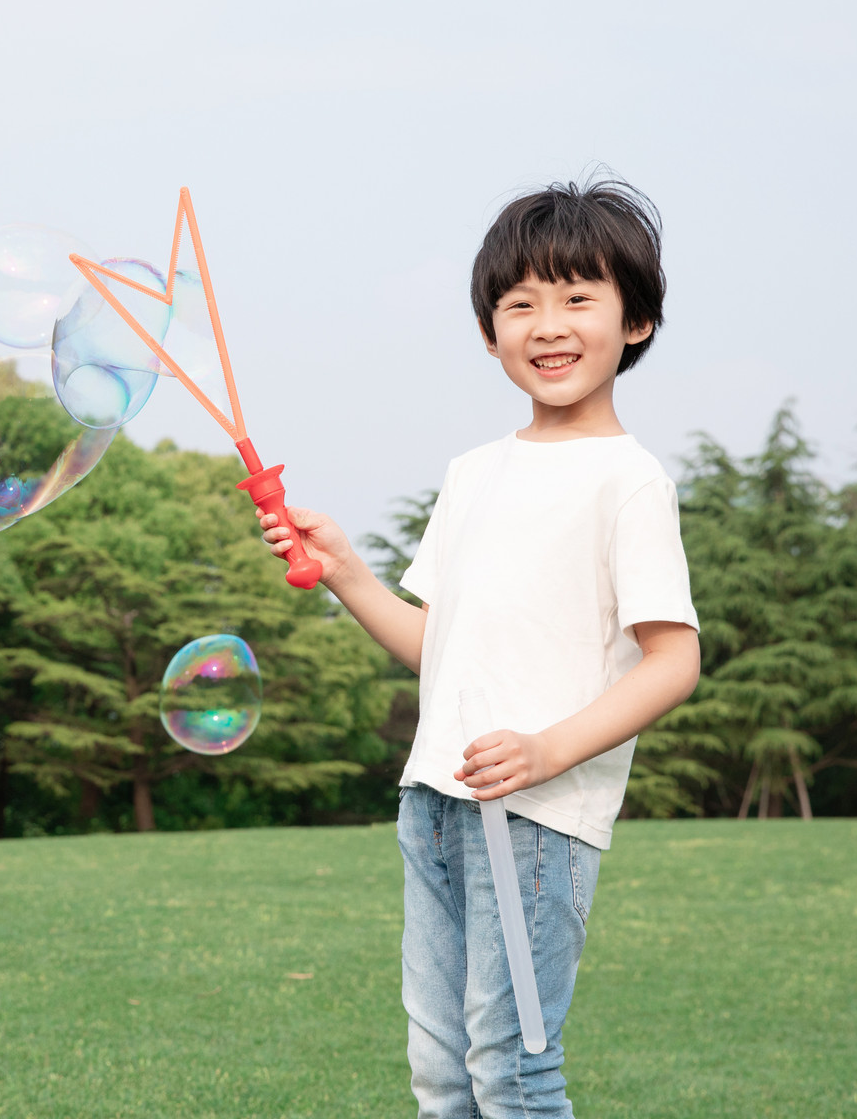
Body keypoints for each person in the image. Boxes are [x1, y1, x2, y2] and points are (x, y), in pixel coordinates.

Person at [260, 179, 700, 1118]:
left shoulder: (629, 481)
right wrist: (348, 574)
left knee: (511, 1067)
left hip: (534, 818)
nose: (549, 323)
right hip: (432, 803)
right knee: (442, 1072)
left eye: (580, 297)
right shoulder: (473, 474)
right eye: (521, 303)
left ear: (638, 322)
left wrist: (547, 750)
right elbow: (446, 650)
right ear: (489, 332)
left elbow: (674, 661)